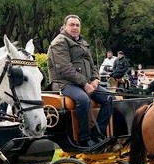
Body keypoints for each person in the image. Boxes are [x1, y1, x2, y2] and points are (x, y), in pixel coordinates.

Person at [48, 14, 113, 146]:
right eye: (72, 25)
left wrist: (95, 79)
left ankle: (97, 133)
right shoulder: (59, 42)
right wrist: (84, 83)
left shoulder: (82, 42)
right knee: (83, 100)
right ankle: (84, 138)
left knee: (109, 98)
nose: (75, 28)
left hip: (86, 83)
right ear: (65, 26)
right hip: (64, 84)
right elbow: (65, 68)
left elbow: (92, 64)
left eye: (77, 25)